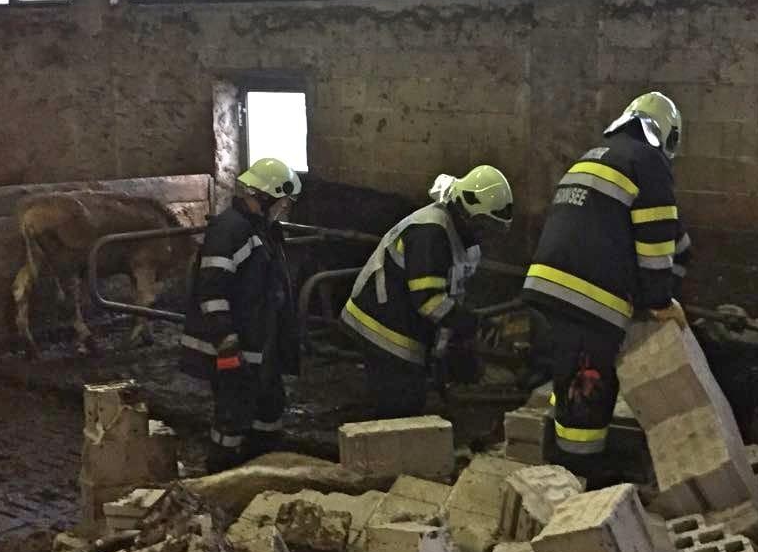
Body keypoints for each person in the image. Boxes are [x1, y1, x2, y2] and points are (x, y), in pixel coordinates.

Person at [523, 91, 691, 477]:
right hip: (588, 296)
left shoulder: (595, 155)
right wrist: (660, 301)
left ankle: (559, 459)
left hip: (548, 286)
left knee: (568, 378)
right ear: (668, 135)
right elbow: (655, 239)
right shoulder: (649, 161)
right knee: (590, 388)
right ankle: (580, 473)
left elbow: (663, 233)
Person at [342, 165, 515, 418]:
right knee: (402, 405)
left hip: (403, 321)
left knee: (411, 398)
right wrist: (473, 324)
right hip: (381, 323)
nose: (486, 235)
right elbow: (430, 302)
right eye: (484, 226)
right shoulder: (430, 231)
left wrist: (449, 346)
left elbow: (449, 297)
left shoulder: (462, 240)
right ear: (467, 212)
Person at [181, 158, 303, 470]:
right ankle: (220, 474)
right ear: (267, 196)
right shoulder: (231, 230)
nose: (285, 209)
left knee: (269, 407)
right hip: (234, 346)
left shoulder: (260, 229)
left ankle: (261, 470)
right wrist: (227, 342)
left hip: (259, 343)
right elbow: (211, 291)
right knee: (233, 415)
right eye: (284, 202)